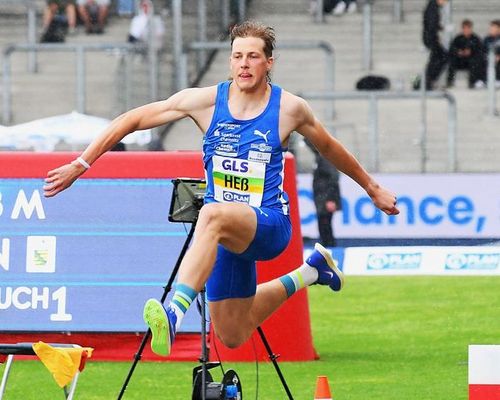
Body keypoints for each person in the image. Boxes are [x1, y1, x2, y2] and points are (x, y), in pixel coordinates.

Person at [43, 20, 399, 356]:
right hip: (226, 231)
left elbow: (329, 147)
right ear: (230, 62)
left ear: (268, 63)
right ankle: (312, 271)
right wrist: (81, 164)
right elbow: (131, 120)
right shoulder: (205, 102)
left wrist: (372, 188)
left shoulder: (289, 108)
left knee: (209, 212)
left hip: (269, 224)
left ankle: (174, 313)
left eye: (253, 57)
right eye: (237, 56)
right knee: (232, 333)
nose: (244, 64)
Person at [306, 140, 342, 247]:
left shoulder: (325, 158)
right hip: (321, 198)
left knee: (325, 224)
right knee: (323, 224)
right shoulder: (319, 157)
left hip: (325, 198)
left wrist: (330, 199)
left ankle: (330, 247)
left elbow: (333, 178)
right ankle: (327, 246)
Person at [446, 19, 485, 89]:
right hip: (460, 60)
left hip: (471, 61)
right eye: (465, 28)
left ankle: (472, 82)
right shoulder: (458, 38)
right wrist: (458, 52)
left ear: (471, 29)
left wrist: (471, 52)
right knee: (452, 61)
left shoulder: (476, 39)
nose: (466, 30)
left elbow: (480, 51)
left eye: (468, 28)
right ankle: (450, 82)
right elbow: (452, 49)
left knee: (475, 62)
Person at [422, 0, 448, 90]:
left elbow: (432, 23)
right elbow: (431, 25)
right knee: (442, 57)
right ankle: (428, 81)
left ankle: (428, 81)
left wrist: (440, 28)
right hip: (431, 39)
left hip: (430, 38)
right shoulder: (433, 8)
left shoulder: (432, 7)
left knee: (437, 58)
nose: (445, 3)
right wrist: (436, 38)